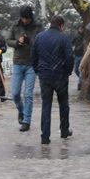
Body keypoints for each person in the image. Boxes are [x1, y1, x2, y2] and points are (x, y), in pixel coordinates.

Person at [32, 15, 74, 145]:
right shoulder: (64, 38)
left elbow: (33, 56)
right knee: (63, 103)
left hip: (45, 76)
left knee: (46, 105)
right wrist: (67, 71)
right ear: (61, 25)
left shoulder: (39, 37)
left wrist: (38, 71)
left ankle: (45, 136)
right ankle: (64, 130)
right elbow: (69, 57)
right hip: (60, 76)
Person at [7, 5, 42, 132]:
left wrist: (30, 41)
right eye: (23, 18)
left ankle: (26, 121)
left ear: (31, 17)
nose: (25, 21)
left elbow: (41, 41)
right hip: (18, 62)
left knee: (28, 94)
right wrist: (17, 42)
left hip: (31, 64)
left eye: (27, 18)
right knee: (15, 93)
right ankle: (21, 111)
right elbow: (8, 40)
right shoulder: (15, 25)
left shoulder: (38, 26)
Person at [72, 25, 85, 90]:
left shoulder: (85, 36)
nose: (81, 30)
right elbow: (72, 43)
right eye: (80, 28)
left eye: (82, 29)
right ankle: (82, 80)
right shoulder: (76, 36)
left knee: (81, 70)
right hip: (77, 55)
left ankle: (80, 83)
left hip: (83, 55)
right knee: (76, 70)